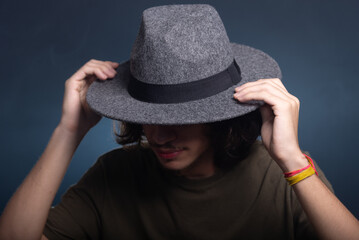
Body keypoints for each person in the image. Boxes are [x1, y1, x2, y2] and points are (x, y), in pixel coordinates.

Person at [0, 4, 358, 240]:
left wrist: (293, 162)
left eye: (181, 118)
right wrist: (69, 131)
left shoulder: (282, 178)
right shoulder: (114, 176)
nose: (158, 135)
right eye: (149, 117)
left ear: (221, 118)